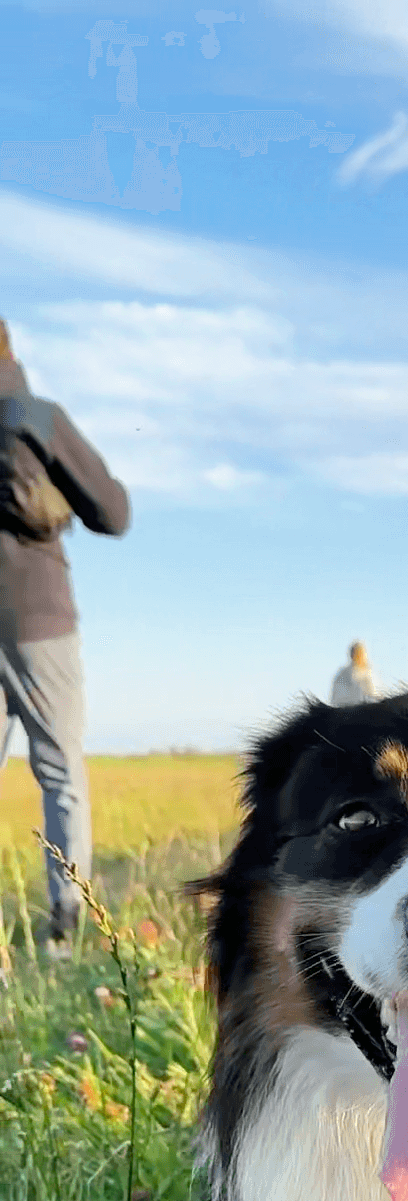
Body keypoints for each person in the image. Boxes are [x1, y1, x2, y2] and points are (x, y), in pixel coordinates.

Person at [0, 319, 130, 956]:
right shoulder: (35, 417)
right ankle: (65, 928)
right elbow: (113, 513)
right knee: (60, 772)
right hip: (37, 615)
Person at [330, 640, 376, 707]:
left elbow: (373, 695)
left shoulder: (369, 674)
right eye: (357, 653)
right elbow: (337, 699)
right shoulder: (343, 674)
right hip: (349, 710)